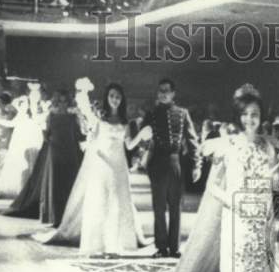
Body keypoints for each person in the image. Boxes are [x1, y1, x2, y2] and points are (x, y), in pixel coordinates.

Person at [200, 93, 279, 272]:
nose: (250, 119)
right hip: (237, 217)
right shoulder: (226, 145)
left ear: (262, 117)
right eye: (245, 114)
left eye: (255, 114)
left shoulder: (269, 147)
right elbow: (212, 186)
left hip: (263, 217)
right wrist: (234, 201)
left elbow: (276, 185)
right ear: (237, 116)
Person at [35, 81, 151, 255]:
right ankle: (98, 243)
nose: (115, 99)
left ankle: (117, 243)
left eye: (118, 97)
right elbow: (92, 140)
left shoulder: (125, 122)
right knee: (101, 201)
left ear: (122, 100)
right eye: (112, 96)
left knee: (118, 202)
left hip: (119, 164)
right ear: (107, 98)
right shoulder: (100, 118)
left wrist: (141, 135)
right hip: (102, 163)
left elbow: (128, 146)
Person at [131, 78, 202, 258]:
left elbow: (193, 140)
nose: (163, 94)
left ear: (173, 93)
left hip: (176, 162)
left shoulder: (183, 113)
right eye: (160, 91)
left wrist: (197, 165)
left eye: (166, 90)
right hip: (157, 164)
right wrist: (140, 159)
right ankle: (161, 247)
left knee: (176, 207)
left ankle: (175, 247)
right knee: (159, 207)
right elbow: (143, 140)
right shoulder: (151, 114)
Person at [39, 89, 86, 226]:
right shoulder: (51, 116)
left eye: (66, 101)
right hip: (55, 151)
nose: (63, 104)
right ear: (56, 101)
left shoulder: (73, 117)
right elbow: (46, 134)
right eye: (60, 101)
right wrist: (46, 136)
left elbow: (80, 135)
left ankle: (68, 217)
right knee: (56, 183)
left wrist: (82, 119)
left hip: (70, 151)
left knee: (69, 183)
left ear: (70, 102)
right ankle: (56, 217)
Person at [0, 82, 48, 199]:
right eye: (32, 95)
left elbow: (44, 125)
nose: (34, 98)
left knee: (34, 162)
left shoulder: (43, 110)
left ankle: (32, 191)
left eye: (37, 95)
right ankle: (22, 190)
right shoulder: (23, 110)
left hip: (35, 139)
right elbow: (11, 123)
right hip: (22, 140)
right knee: (20, 162)